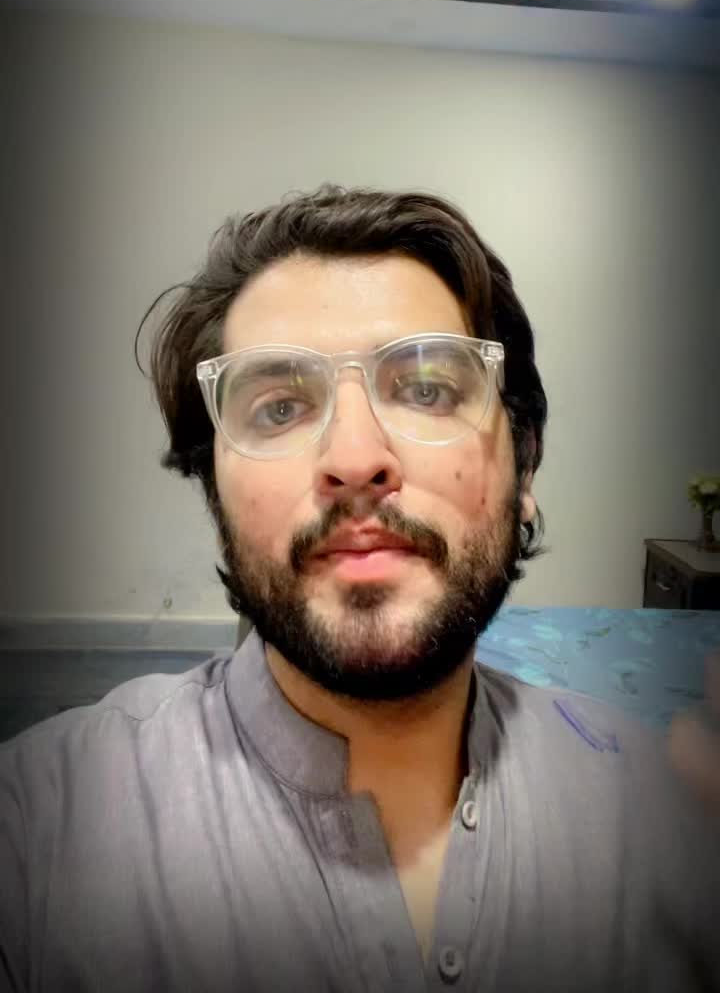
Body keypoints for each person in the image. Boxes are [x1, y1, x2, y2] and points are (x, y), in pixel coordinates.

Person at [1, 182, 718, 993]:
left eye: (428, 389)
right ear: (216, 491)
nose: (354, 457)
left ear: (524, 467)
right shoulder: (38, 834)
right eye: (278, 408)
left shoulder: (672, 819)